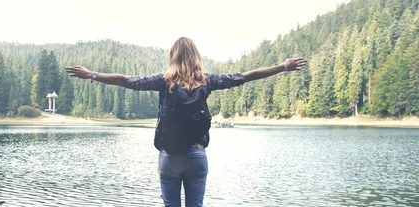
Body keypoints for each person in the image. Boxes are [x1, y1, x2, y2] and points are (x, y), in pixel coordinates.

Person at [65, 37, 306, 207]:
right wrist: (282, 67)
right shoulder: (207, 80)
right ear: (196, 57)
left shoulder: (163, 80)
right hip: (197, 155)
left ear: (173, 57)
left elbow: (128, 81)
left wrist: (93, 75)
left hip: (169, 156)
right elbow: (244, 77)